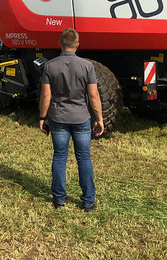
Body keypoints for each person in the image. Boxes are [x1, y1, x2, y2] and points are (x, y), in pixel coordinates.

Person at [39, 28, 104, 212]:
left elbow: (45, 95)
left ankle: (59, 199)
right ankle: (88, 201)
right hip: (81, 118)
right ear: (78, 44)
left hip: (58, 118)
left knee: (60, 157)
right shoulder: (87, 66)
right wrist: (99, 118)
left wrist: (43, 117)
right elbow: (94, 96)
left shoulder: (50, 66)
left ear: (60, 43)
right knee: (84, 158)